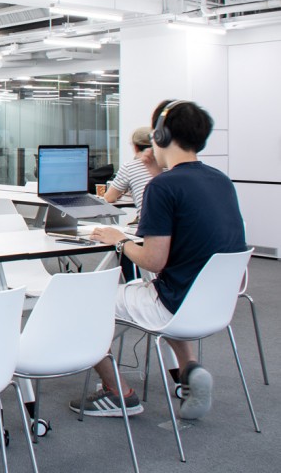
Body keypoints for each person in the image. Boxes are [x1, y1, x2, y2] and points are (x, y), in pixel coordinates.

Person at [73, 100, 245, 420]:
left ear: (161, 136)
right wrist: (157, 174)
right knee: (158, 283)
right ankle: (189, 369)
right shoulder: (220, 180)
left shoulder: (163, 187)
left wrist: (119, 239)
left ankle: (118, 394)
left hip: (172, 304)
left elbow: (152, 260)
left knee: (84, 302)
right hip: (213, 304)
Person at [103, 125, 154, 280]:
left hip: (146, 229)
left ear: (136, 147)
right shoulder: (166, 167)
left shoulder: (130, 167)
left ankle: (132, 280)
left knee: (120, 237)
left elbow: (109, 198)